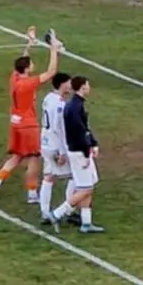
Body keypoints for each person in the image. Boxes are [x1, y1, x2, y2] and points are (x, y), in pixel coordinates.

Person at [0, 27, 59, 201]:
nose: (32, 64)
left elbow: (23, 59)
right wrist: (53, 50)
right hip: (28, 125)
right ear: (27, 69)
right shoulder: (28, 84)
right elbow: (51, 73)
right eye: (30, 64)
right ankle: (32, 193)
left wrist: (29, 44)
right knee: (35, 158)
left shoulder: (15, 78)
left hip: (15, 123)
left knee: (18, 156)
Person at [47, 77, 103, 233]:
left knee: (89, 187)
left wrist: (93, 143)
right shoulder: (74, 107)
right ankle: (57, 213)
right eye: (88, 84)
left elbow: (85, 129)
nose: (90, 87)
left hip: (79, 150)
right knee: (84, 189)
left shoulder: (75, 105)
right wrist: (87, 152)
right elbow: (80, 132)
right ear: (83, 87)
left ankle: (86, 223)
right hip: (79, 152)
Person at [35, 72, 74, 227]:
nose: (70, 86)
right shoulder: (60, 104)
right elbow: (60, 129)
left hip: (44, 142)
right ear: (63, 84)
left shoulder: (48, 98)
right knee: (75, 177)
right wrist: (63, 151)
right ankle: (67, 211)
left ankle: (44, 211)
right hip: (55, 145)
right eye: (69, 83)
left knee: (48, 176)